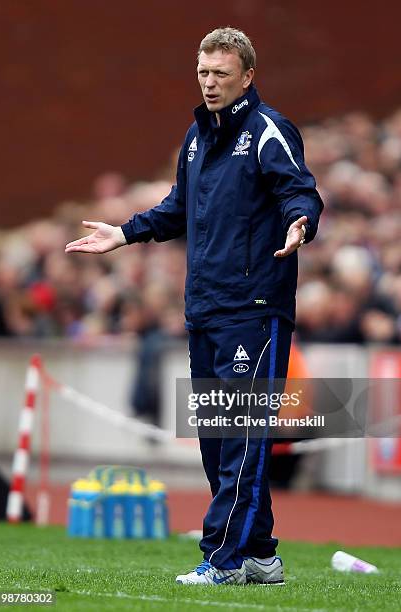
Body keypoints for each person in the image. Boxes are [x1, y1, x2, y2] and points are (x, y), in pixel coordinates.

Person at [65, 27, 323, 586]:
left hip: (254, 308)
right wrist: (125, 233)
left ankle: (224, 560)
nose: (208, 84)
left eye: (220, 74)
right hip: (204, 310)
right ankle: (260, 555)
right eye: (203, 73)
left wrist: (302, 220)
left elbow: (299, 190)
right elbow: (177, 209)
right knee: (215, 443)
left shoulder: (267, 131)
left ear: (247, 76)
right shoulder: (195, 139)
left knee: (242, 440)